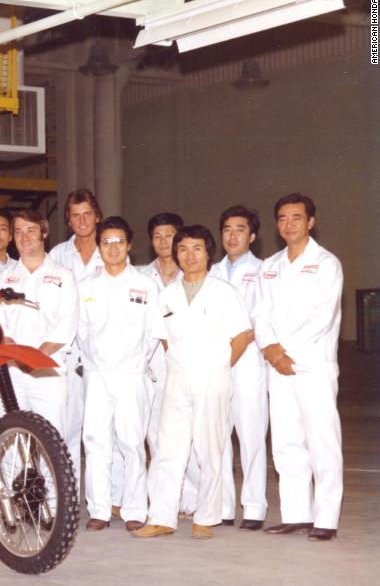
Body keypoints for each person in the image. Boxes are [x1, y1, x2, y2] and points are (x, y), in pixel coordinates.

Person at [133, 226, 252, 540]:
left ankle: (206, 517)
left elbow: (243, 335)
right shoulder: (168, 295)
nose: (189, 255)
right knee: (167, 449)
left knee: (209, 449)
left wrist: (220, 365)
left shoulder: (223, 291)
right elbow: (165, 339)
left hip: (213, 378)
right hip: (177, 378)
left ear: (208, 253)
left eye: (196, 248)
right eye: (182, 248)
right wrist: (182, 364)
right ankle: (161, 517)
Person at [254, 193, 343, 542]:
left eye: (296, 217)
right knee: (286, 442)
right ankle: (296, 514)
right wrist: (272, 351)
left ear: (310, 222)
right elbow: (260, 314)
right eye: (282, 218)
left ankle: (326, 519)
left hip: (312, 366)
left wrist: (283, 351)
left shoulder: (326, 264)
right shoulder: (270, 265)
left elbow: (321, 318)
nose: (288, 224)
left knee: (322, 442)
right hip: (277, 366)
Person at [77, 217, 165, 532]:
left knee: (131, 442)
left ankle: (134, 510)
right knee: (96, 441)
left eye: (118, 242)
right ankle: (99, 509)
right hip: (97, 374)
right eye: (106, 242)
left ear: (129, 245)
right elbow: (81, 331)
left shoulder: (145, 284)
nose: (112, 248)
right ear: (99, 247)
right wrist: (94, 362)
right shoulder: (87, 286)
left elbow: (155, 333)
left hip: (132, 374)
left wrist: (135, 361)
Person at [208, 205, 268, 530]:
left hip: (246, 365)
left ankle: (255, 508)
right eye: (227, 229)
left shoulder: (263, 271)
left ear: (253, 235)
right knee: (217, 437)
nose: (232, 235)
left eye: (240, 229)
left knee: (251, 436)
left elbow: (252, 325)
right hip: (216, 365)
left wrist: (226, 359)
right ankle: (224, 506)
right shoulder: (210, 272)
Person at [0, 210, 77, 434]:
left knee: (52, 440)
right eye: (18, 231)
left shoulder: (63, 275)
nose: (24, 237)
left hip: (48, 370)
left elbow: (68, 321)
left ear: (44, 232)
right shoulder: (3, 277)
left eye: (31, 230)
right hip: (11, 369)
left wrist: (37, 356)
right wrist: (15, 353)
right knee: (8, 437)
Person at [47, 189, 106, 499]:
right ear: (68, 221)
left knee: (100, 430)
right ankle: (68, 494)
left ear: (97, 216)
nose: (82, 221)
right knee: (67, 424)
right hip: (66, 352)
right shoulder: (57, 255)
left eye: (87, 214)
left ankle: (105, 498)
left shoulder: (110, 250)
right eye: (75, 215)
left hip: (101, 351)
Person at [138, 212, 184, 463]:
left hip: (184, 362)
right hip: (152, 364)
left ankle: (189, 499)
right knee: (154, 432)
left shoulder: (192, 274)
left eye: (169, 235)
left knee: (183, 432)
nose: (164, 241)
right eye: (157, 236)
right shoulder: (140, 277)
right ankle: (160, 497)